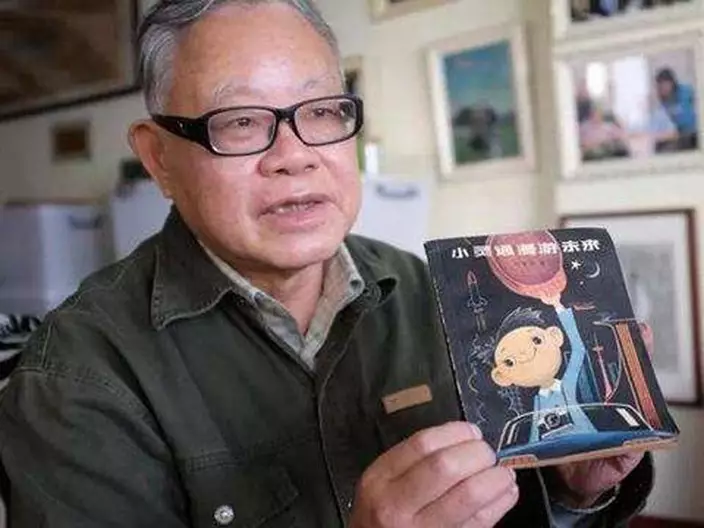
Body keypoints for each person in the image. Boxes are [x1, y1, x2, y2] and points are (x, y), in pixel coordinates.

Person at [0, 1, 653, 526]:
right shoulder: (76, 377)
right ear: (158, 157)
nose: (295, 155)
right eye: (240, 121)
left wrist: (571, 491)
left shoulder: (433, 293)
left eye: (321, 112)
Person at [491, 299, 597, 445]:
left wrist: (558, 306)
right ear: (502, 377)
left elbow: (578, 350)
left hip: (585, 441)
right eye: (509, 362)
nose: (524, 354)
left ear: (555, 336)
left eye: (537, 340)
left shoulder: (566, 386)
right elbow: (535, 435)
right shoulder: (538, 401)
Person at [654, 67, 698, 151]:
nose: (664, 88)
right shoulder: (664, 101)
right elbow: (665, 123)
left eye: (666, 84)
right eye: (661, 85)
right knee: (658, 146)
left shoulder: (685, 91)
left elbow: (687, 117)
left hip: (691, 133)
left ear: (672, 83)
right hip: (677, 134)